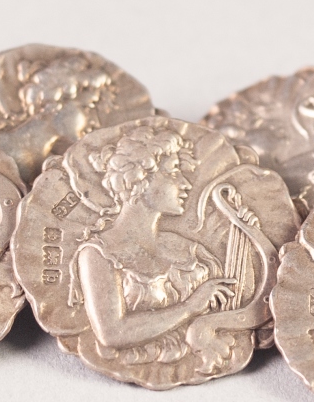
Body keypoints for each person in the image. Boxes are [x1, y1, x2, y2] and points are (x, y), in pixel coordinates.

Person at [69, 126, 237, 367]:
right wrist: (189, 307)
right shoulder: (98, 254)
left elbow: (234, 291)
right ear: (140, 179)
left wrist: (251, 233)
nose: (186, 184)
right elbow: (111, 334)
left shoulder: (184, 246)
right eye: (173, 173)